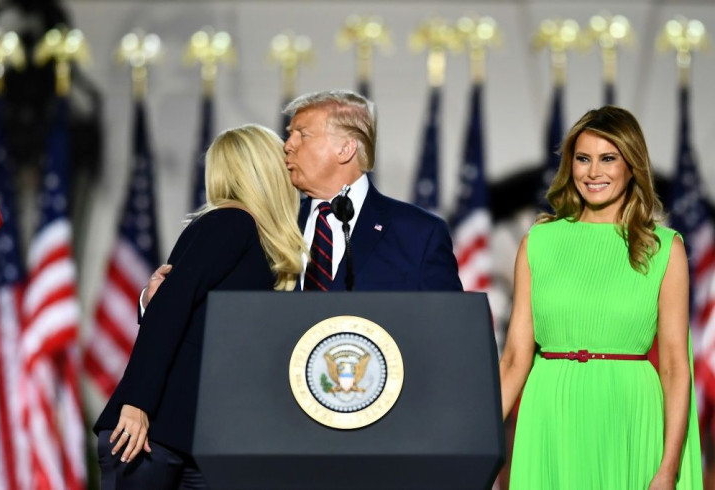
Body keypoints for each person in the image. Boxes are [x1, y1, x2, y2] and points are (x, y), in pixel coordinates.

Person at [499, 106, 702, 489]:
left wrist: (668, 468)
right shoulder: (538, 243)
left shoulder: (664, 249)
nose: (594, 172)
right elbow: (513, 360)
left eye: (608, 159)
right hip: (549, 417)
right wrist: (479, 447)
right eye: (583, 159)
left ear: (632, 165)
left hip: (628, 416)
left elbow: (675, 366)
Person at [93, 124, 305, 489]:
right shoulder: (231, 221)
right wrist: (137, 403)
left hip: (200, 441)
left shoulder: (261, 243)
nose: (292, 169)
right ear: (265, 171)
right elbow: (171, 309)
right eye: (283, 161)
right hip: (149, 433)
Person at [143, 89, 461, 304]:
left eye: (302, 135)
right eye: (289, 134)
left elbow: (450, 331)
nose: (288, 145)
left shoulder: (418, 234)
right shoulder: (264, 226)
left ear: (345, 148)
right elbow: (218, 312)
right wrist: (154, 303)